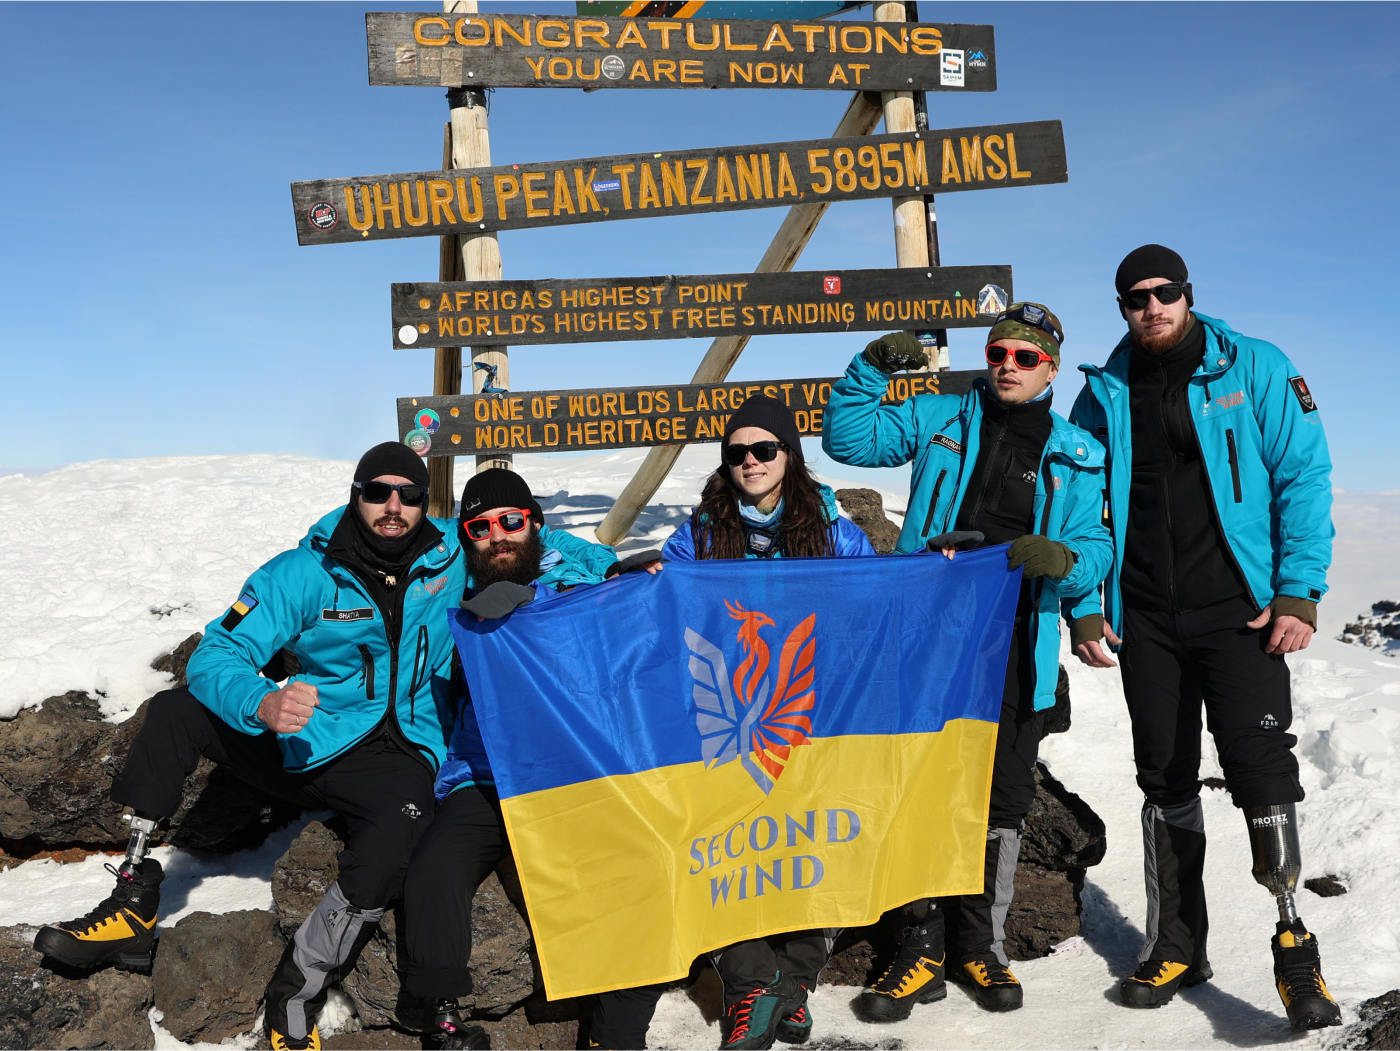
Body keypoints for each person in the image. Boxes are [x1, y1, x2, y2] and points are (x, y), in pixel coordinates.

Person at [33, 442, 465, 1051]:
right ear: (356, 494)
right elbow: (217, 654)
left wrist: (625, 573)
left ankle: (297, 985)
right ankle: (133, 903)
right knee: (178, 709)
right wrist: (261, 703)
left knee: (400, 830)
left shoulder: (452, 558)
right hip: (307, 740)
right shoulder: (303, 573)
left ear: (425, 502)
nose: (393, 506)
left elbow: (535, 545)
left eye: (410, 495)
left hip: (398, 754)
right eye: (378, 492)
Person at [1067, 245, 1339, 1030]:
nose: (1151, 307)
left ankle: (1295, 944)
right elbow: (1080, 506)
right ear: (1122, 307)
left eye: (1164, 292)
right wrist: (1085, 600)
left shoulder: (1253, 366)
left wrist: (1298, 588)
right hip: (1147, 616)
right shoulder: (1105, 391)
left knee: (1259, 768)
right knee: (1164, 776)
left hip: (1239, 612)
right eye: (1135, 298)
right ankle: (1179, 943)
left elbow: (1303, 474)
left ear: (1188, 293)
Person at [822, 305, 1112, 1019]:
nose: (1008, 365)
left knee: (1003, 795)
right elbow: (848, 437)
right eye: (999, 352)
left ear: (1050, 367)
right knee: (918, 784)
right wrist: (871, 369)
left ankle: (980, 945)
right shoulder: (939, 418)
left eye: (1024, 356)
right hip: (926, 631)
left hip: (1016, 638)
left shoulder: (1077, 452)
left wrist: (1066, 561)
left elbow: (1098, 551)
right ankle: (917, 950)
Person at [588, 394, 874, 1051]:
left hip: (816, 714)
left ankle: (795, 981)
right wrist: (645, 580)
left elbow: (873, 599)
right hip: (727, 718)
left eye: (763, 449)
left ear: (788, 454)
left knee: (818, 842)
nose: (750, 461)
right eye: (737, 452)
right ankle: (753, 981)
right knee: (707, 843)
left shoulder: (834, 528)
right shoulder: (700, 531)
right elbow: (666, 612)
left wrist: (935, 574)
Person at [398, 468, 653, 1051]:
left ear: (535, 523)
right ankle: (440, 1016)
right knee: (436, 866)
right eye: (481, 527)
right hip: (483, 774)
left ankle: (615, 1038)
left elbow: (580, 571)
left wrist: (604, 576)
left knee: (631, 878)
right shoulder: (449, 589)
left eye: (512, 522)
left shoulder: (578, 579)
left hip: (576, 772)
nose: (498, 535)